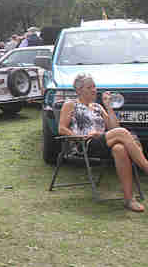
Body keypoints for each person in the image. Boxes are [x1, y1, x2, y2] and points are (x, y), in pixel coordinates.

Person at [58, 73, 148, 212]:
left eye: (94, 87)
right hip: (85, 144)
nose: (94, 90)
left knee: (119, 149)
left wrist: (108, 106)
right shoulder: (70, 104)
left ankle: (129, 199)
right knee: (122, 133)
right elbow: (62, 129)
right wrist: (81, 136)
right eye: (89, 87)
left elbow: (114, 127)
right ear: (79, 90)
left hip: (102, 141)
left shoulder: (98, 107)